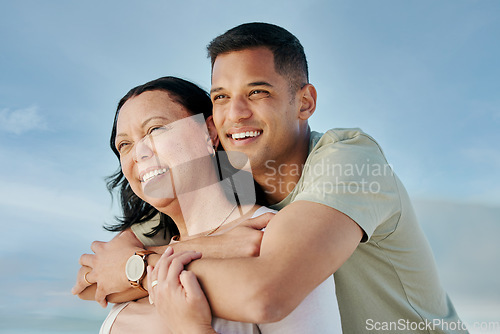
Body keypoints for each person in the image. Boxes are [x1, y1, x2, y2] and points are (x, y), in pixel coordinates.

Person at [74, 23, 467, 333]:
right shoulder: (227, 182)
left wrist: (142, 270)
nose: (235, 114)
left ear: (305, 101)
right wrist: (212, 246)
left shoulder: (348, 159)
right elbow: (94, 277)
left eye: (258, 92)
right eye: (221, 97)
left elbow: (267, 292)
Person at [86, 76, 341, 333]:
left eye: (155, 130)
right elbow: (87, 281)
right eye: (125, 145)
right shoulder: (135, 257)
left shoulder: (276, 243)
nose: (139, 152)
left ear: (209, 132)